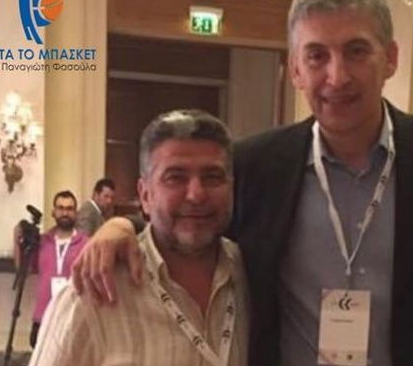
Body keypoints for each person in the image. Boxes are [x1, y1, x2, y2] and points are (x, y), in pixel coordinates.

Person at [73, 0, 413, 366]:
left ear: (390, 58)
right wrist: (121, 227)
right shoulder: (257, 164)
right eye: (317, 56)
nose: (337, 76)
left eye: (356, 51)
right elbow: (196, 220)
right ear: (297, 69)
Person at [29, 110, 249, 366]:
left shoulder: (252, 274)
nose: (196, 194)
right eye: (175, 178)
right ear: (145, 195)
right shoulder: (89, 295)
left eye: (212, 177)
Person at [13, 190, 89, 348]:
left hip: (72, 316)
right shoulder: (41, 242)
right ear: (53, 212)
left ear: (75, 213)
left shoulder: (86, 243)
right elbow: (23, 270)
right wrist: (16, 241)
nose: (65, 213)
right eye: (60, 208)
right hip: (44, 315)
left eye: (69, 209)